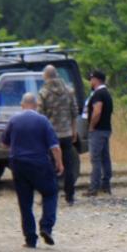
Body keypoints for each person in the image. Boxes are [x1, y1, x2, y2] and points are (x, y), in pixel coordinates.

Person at [1, 93, 63, 248]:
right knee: (50, 193)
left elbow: (5, 142)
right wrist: (59, 163)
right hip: (39, 163)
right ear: (36, 105)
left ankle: (30, 238)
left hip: (19, 164)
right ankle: (46, 227)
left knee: (25, 202)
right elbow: (54, 147)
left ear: (22, 105)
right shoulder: (42, 121)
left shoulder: (14, 120)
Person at [37, 65, 79, 204]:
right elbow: (74, 112)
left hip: (51, 135)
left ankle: (49, 196)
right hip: (66, 133)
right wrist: (74, 130)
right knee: (69, 166)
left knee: (49, 167)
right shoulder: (69, 90)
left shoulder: (43, 93)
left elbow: (40, 116)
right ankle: (70, 196)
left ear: (46, 76)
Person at [84, 69, 113, 196]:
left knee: (95, 158)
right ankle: (106, 184)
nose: (90, 81)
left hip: (98, 130)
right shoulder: (106, 93)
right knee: (105, 157)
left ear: (96, 80)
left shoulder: (98, 94)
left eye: (91, 79)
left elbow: (97, 111)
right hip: (106, 129)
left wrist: (91, 126)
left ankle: (94, 187)